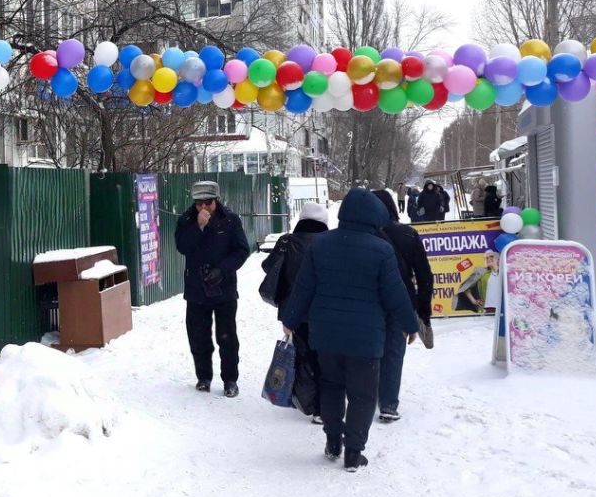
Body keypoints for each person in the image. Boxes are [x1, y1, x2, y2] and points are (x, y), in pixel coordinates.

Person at [282, 188, 418, 472]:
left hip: (326, 335)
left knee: (331, 386)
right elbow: (395, 294)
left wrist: (290, 318)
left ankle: (333, 441)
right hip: (366, 339)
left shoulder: (321, 244)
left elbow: (304, 287)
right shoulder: (382, 250)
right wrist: (409, 324)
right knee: (363, 395)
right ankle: (353, 452)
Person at [175, 180, 251, 396]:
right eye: (199, 203)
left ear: (216, 201)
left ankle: (230, 380)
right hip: (196, 288)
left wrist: (222, 270)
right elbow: (182, 246)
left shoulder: (230, 220)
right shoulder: (186, 220)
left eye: (208, 203)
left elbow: (241, 250)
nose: (204, 207)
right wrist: (198, 227)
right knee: (198, 336)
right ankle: (203, 377)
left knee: (227, 337)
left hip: (223, 288)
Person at [262, 201, 329, 421]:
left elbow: (268, 266)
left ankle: (304, 398)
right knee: (324, 357)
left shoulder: (287, 242)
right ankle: (321, 407)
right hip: (324, 310)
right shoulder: (330, 242)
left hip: (294, 311)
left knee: (303, 355)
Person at [373, 189, 435, 422]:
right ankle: (388, 403)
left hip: (372, 301)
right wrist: (423, 311)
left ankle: (366, 395)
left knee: (369, 350)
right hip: (402, 301)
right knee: (393, 352)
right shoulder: (408, 234)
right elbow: (424, 275)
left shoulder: (366, 235)